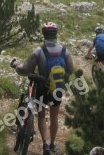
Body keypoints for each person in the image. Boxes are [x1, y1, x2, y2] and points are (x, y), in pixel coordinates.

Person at [11, 21, 74, 155]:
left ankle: (45, 144)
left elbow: (25, 70)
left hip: (41, 87)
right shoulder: (65, 51)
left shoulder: (39, 51)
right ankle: (52, 144)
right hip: (57, 88)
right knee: (54, 116)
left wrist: (16, 66)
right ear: (55, 34)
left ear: (44, 35)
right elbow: (70, 71)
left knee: (41, 116)